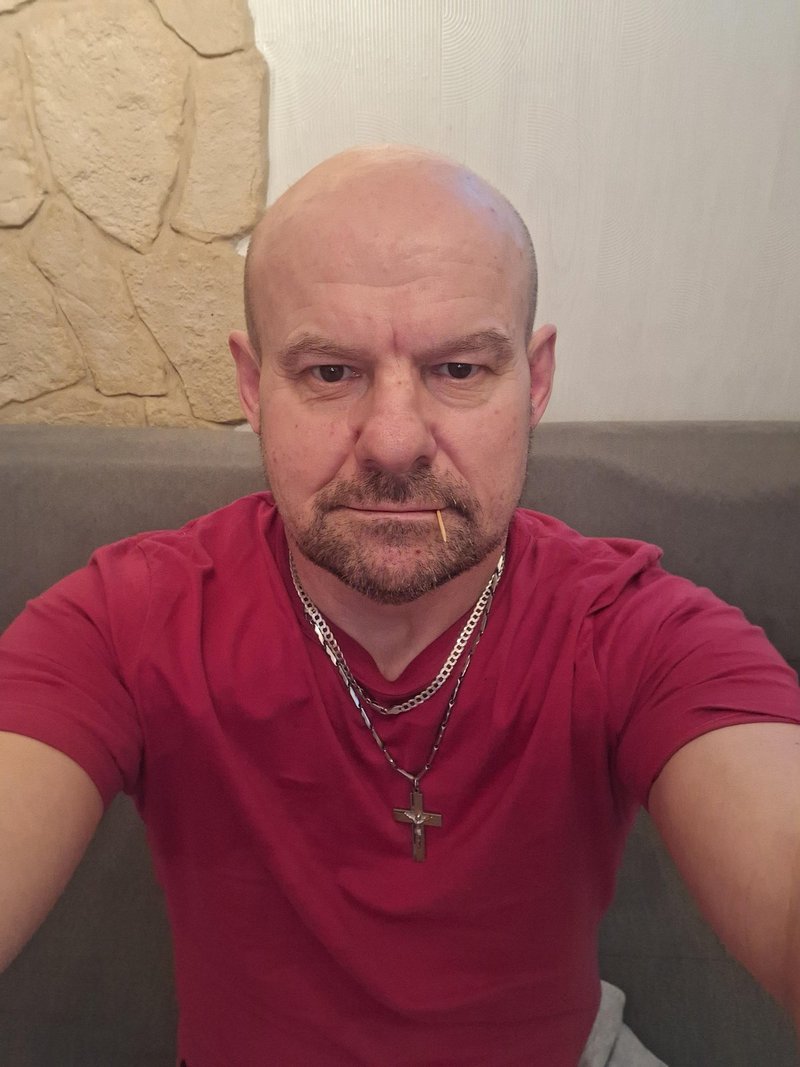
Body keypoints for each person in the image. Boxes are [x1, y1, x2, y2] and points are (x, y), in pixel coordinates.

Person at [1, 145, 799, 1067]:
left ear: (535, 382)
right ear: (254, 387)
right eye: (328, 372)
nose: (391, 441)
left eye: (458, 368)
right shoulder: (126, 620)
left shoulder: (633, 628)